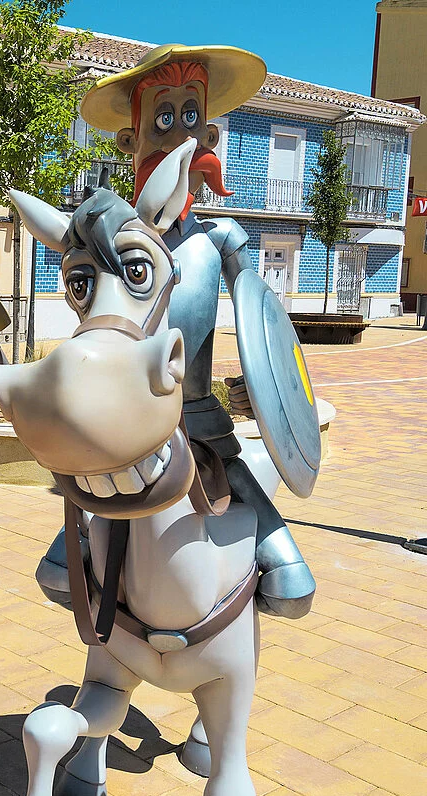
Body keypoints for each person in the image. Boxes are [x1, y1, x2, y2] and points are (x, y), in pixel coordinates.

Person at [54, 43, 316, 617]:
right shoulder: (116, 247)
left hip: (198, 415)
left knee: (259, 519)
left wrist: (263, 389)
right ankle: (75, 544)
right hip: (133, 422)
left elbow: (260, 320)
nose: (178, 135)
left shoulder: (221, 240)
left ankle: (275, 549)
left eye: (190, 118)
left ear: (211, 138)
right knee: (75, 537)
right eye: (163, 119)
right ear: (131, 140)